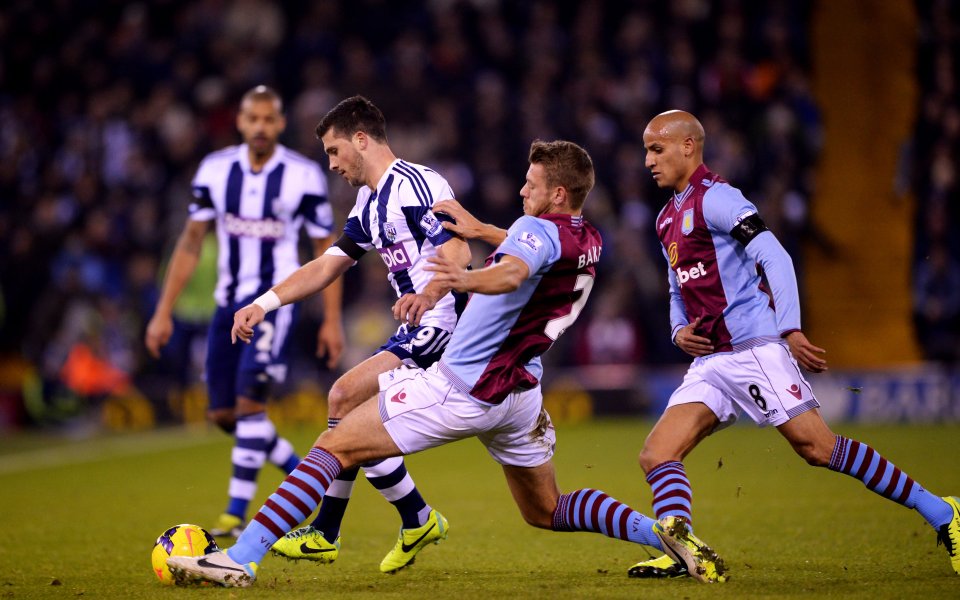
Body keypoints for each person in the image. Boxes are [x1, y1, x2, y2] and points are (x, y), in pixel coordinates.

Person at [166, 139, 728, 588]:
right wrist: (484, 231)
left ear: (557, 192)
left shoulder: (529, 231)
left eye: (531, 184)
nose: (521, 189)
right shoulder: (588, 238)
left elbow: (510, 271)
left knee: (334, 444)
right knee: (547, 509)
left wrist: (460, 278)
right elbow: (531, 249)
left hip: (463, 386)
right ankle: (665, 534)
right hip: (521, 395)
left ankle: (241, 557)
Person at [628, 109, 960, 580]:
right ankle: (683, 550)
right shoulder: (666, 218)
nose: (647, 160)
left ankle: (944, 512)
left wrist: (790, 328)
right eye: (646, 149)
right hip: (712, 361)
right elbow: (676, 287)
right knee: (657, 453)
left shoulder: (719, 199)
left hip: (753, 349)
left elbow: (773, 255)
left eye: (656, 148)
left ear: (688, 146)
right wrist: (677, 329)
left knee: (818, 449)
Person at [231, 95, 472, 573]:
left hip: (448, 325)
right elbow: (327, 265)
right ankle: (412, 519)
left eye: (334, 150)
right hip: (414, 328)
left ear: (361, 140)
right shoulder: (368, 202)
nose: (332, 163)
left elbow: (461, 250)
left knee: (343, 396)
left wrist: (428, 295)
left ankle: (329, 531)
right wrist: (263, 303)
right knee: (348, 413)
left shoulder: (419, 185)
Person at [145, 85, 345, 539]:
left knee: (251, 407)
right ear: (239, 122)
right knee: (224, 416)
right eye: (252, 119)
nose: (260, 127)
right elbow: (191, 241)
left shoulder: (303, 175)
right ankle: (304, 473)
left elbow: (326, 249)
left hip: (274, 303)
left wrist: (331, 320)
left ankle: (236, 515)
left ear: (280, 123)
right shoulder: (215, 170)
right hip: (225, 303)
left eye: (269, 119)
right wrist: (163, 312)